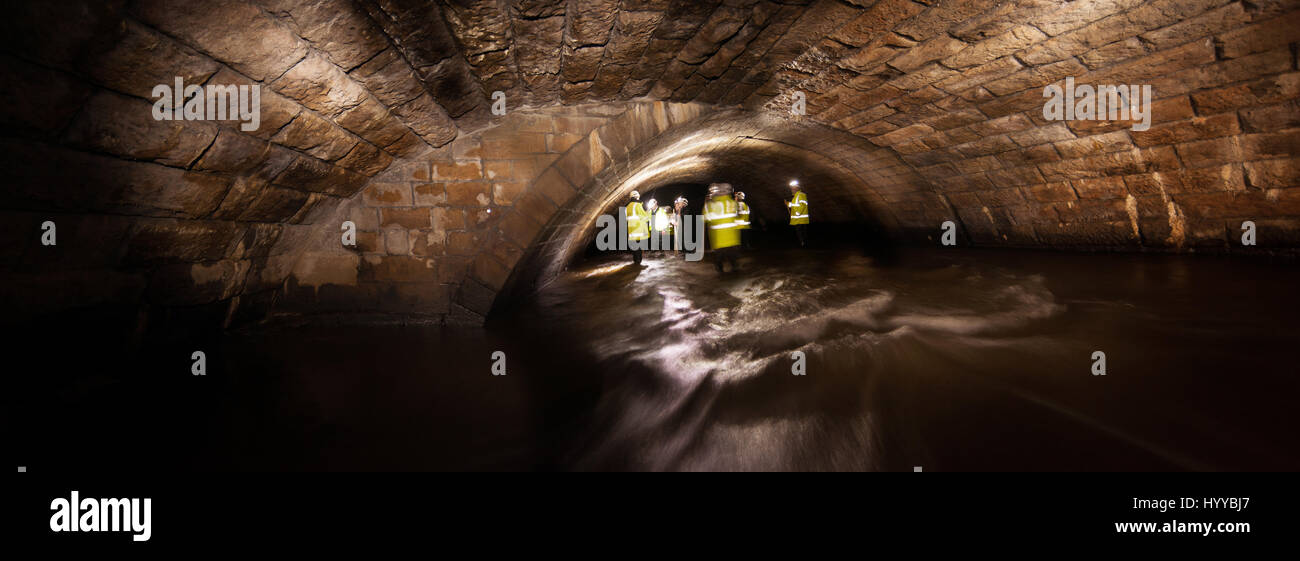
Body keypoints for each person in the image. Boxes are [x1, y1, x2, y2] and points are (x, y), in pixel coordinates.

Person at [703, 183, 741, 273]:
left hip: (718, 238)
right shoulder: (733, 203)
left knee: (719, 256)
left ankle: (720, 269)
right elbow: (737, 216)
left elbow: (706, 218)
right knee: (733, 256)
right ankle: (735, 269)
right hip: (732, 237)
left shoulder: (710, 205)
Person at [626, 190, 650, 264]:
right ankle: (638, 260)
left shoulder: (628, 207)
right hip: (638, 229)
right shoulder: (637, 205)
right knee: (638, 245)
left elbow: (627, 218)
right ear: (637, 197)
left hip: (631, 229)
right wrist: (648, 212)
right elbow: (644, 217)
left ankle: (636, 260)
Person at [785, 180, 809, 247]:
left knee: (801, 232)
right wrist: (788, 204)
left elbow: (803, 205)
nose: (792, 190)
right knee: (800, 232)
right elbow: (794, 205)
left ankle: (803, 243)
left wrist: (798, 213)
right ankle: (802, 243)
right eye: (792, 189)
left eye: (793, 188)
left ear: (797, 188)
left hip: (800, 217)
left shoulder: (801, 195)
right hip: (798, 218)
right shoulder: (795, 196)